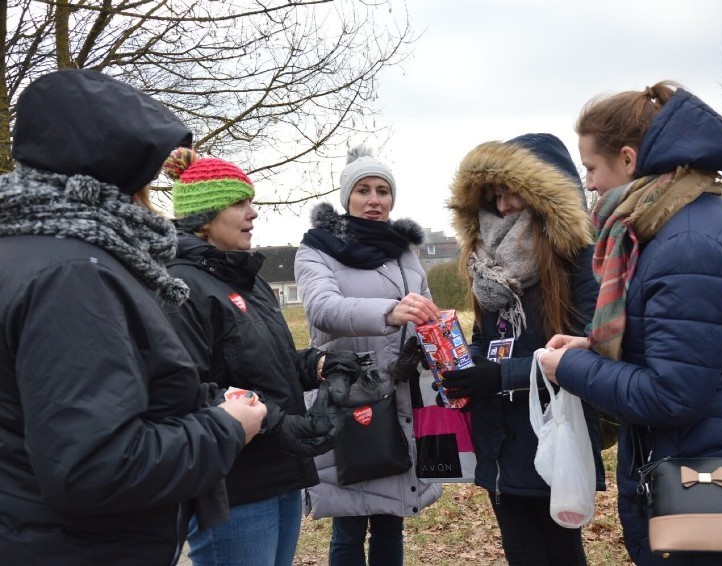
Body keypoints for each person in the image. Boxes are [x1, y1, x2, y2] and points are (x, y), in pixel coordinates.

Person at [0, 69, 268, 565]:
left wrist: (198, 402)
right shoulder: (74, 274)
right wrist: (226, 426)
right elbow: (94, 466)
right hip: (76, 548)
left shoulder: (27, 251)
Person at [539, 82, 722, 565]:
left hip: (707, 482)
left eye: (591, 168)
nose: (590, 184)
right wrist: (590, 346)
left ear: (627, 159)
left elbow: (675, 392)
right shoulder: (670, 223)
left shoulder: (685, 242)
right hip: (696, 460)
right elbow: (673, 343)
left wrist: (571, 370)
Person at [158, 147, 358, 566]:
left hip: (281, 472)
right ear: (204, 217)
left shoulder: (249, 281)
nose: (253, 213)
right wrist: (274, 422)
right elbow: (184, 388)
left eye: (251, 202)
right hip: (233, 483)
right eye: (239, 203)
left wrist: (318, 364)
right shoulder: (180, 286)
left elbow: (267, 361)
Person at [442, 133, 605, 565]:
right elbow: (485, 341)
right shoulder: (485, 265)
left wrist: (500, 376)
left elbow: (589, 346)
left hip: (555, 428)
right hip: (499, 433)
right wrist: (462, 364)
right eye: (495, 195)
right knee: (522, 552)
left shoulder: (577, 259)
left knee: (561, 551)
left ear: (545, 195)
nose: (504, 206)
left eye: (513, 193)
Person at [294, 146, 443, 566]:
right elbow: (322, 309)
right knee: (350, 519)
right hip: (350, 402)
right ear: (347, 197)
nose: (374, 200)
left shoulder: (404, 252)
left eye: (382, 191)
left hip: (402, 399)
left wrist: (443, 342)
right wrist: (389, 312)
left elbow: (427, 313)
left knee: (393, 515)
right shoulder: (317, 249)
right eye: (363, 190)